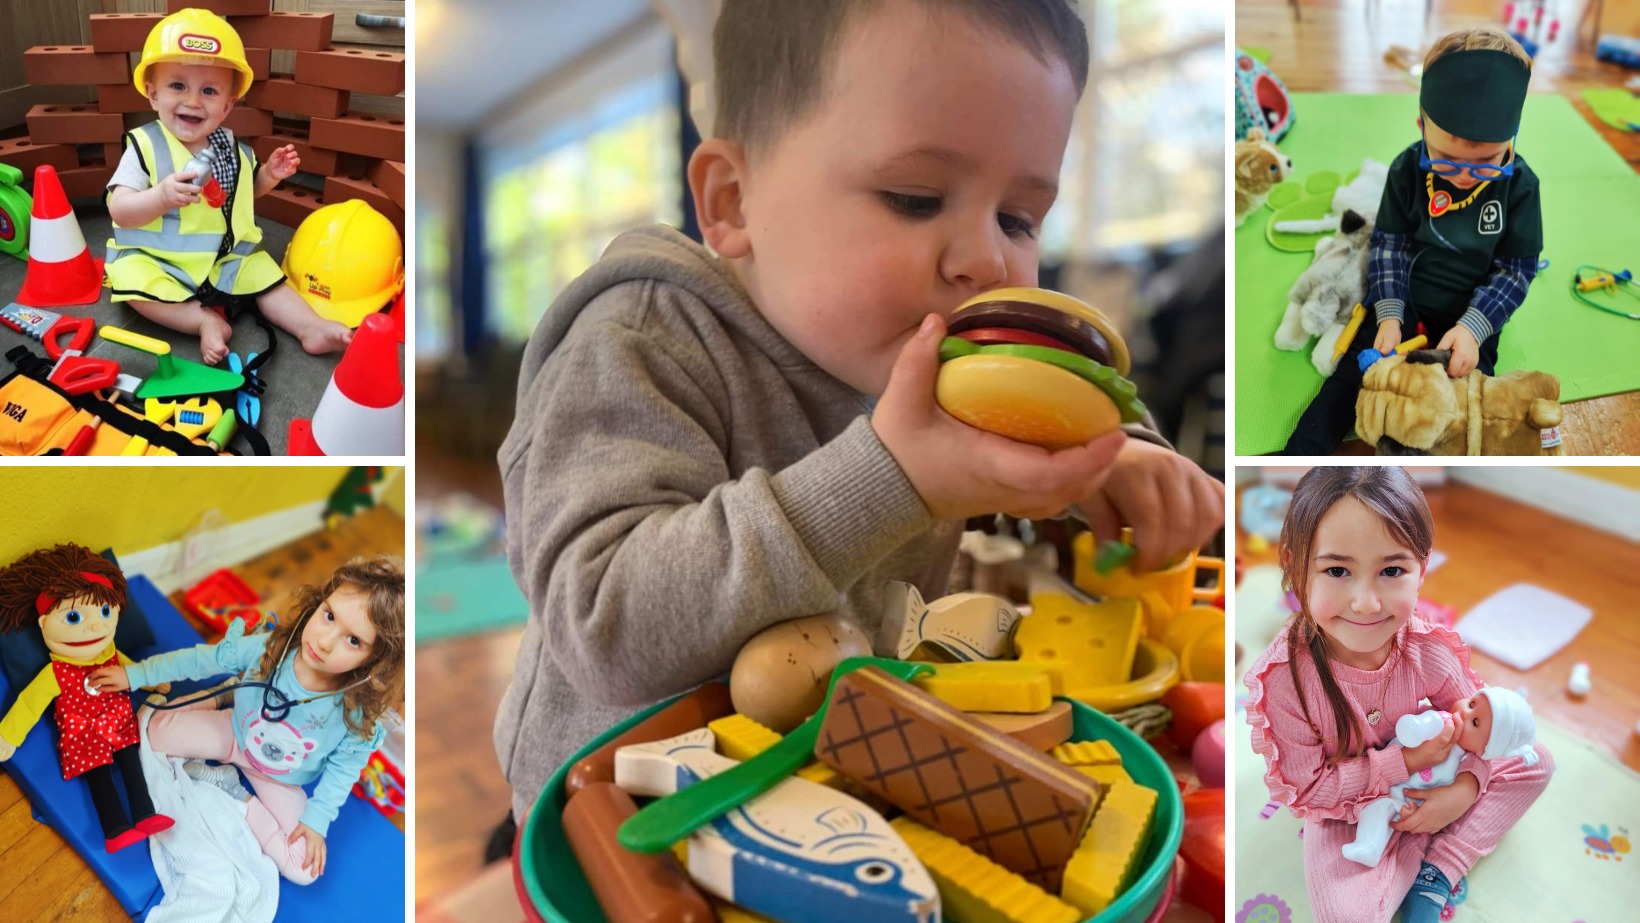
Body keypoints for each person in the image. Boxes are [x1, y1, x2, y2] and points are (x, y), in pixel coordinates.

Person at [494, 0, 1224, 826]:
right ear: (734, 201)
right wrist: (891, 476)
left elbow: (1044, 406)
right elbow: (605, 624)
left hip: (837, 793)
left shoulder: (922, 345)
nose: (988, 257)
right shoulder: (638, 343)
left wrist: (1110, 457)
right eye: (915, 198)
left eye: (1018, 217)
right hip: (617, 827)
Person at [1244, 467, 1553, 923]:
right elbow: (1310, 790)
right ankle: (1412, 848)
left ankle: (1436, 872)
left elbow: (1482, 723)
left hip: (1433, 780)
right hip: (1346, 810)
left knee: (1535, 760)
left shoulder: (1430, 650)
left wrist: (1465, 789)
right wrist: (1404, 765)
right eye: (1336, 570)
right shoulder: (1283, 683)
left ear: (1421, 569)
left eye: (1391, 570)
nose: (1366, 602)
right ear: (1293, 566)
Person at [1284, 28, 1543, 454]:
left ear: (1510, 141)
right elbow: (1389, 244)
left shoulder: (1522, 187)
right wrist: (1388, 314)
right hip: (1406, 301)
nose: (1463, 176)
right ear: (1421, 123)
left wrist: (1474, 329)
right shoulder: (1407, 169)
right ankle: (1298, 463)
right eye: (1446, 158)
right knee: (1353, 376)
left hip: (1473, 315)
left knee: (1462, 410)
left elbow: (1516, 270)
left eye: (1485, 163)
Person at [90, 556, 405, 884]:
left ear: (375, 661)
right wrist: (135, 675)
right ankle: (223, 696)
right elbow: (198, 661)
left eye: (353, 640)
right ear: (319, 602)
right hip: (233, 734)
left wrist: (317, 821)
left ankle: (235, 793)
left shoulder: (356, 713)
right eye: (328, 616)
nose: (325, 643)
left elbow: (344, 769)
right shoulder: (269, 649)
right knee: (153, 731)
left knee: (304, 869)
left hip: (281, 780)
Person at [105, 8, 352, 365]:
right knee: (133, 286)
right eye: (178, 86)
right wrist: (159, 197)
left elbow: (246, 193)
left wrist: (269, 174)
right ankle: (202, 321)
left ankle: (309, 327)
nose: (192, 100)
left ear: (227, 105)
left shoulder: (231, 150)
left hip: (226, 258)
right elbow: (120, 211)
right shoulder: (144, 147)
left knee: (270, 279)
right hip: (158, 260)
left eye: (209, 91)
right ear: (152, 93)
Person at [0, 545, 174, 853]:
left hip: (118, 720)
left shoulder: (109, 653)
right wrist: (8, 735)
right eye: (75, 617)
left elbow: (131, 669)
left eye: (105, 612)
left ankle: (145, 814)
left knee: (132, 767)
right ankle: (115, 829)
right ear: (44, 625)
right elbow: (30, 702)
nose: (95, 626)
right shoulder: (56, 672)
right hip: (83, 732)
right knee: (100, 780)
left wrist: (151, 679)